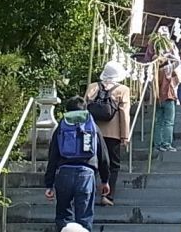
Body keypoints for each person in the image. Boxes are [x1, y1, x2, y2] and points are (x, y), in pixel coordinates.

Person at [44, 96, 111, 232]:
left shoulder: (61, 127)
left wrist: (49, 184)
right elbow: (103, 156)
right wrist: (105, 180)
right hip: (86, 174)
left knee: (63, 217)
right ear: (85, 109)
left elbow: (52, 157)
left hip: (64, 173)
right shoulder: (92, 127)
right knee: (84, 218)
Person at [84, 61, 130, 206]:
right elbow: (124, 114)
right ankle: (108, 196)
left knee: (91, 162)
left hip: (92, 131)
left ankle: (87, 193)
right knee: (113, 165)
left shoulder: (92, 87)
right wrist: (125, 135)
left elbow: (84, 108)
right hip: (113, 134)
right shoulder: (122, 89)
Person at [154, 52, 181, 151]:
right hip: (168, 96)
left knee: (159, 122)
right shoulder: (166, 69)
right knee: (169, 122)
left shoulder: (154, 71)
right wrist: (169, 54)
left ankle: (158, 144)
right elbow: (178, 61)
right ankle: (166, 144)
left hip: (158, 98)